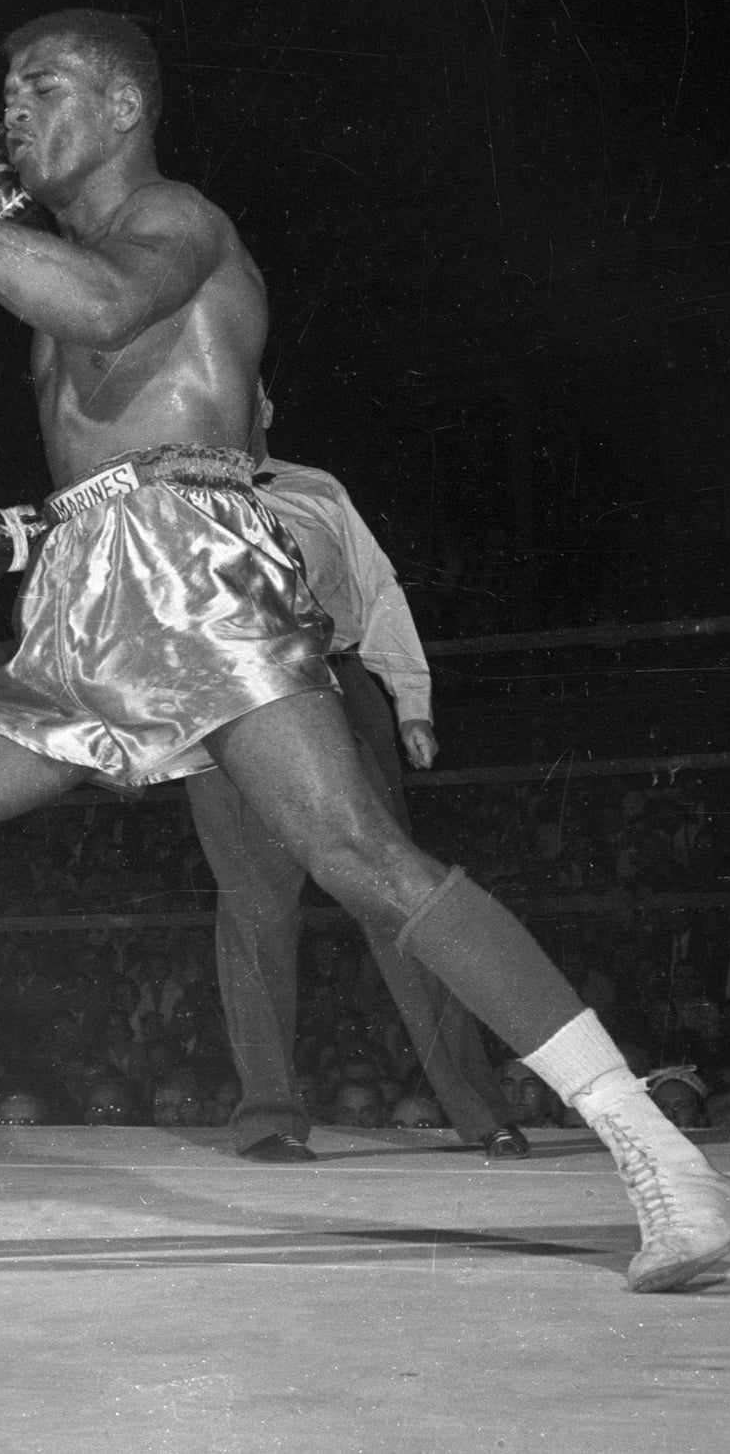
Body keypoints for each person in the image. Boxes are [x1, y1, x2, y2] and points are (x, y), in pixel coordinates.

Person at [0, 7, 730, 1291]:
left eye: (41, 86)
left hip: (195, 567)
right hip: (80, 590)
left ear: (121, 110)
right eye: (4, 90)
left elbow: (111, 324)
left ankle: (661, 1154)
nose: (14, 110)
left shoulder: (175, 221)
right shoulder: (41, 254)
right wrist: (17, 526)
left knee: (360, 857)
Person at [191, 389, 528, 1164]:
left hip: (341, 689)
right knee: (254, 915)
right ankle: (269, 1118)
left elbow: (378, 590)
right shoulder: (166, 498)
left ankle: (480, 1112)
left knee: (401, 900)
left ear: (268, 407)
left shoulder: (318, 488)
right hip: (230, 697)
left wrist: (410, 700)